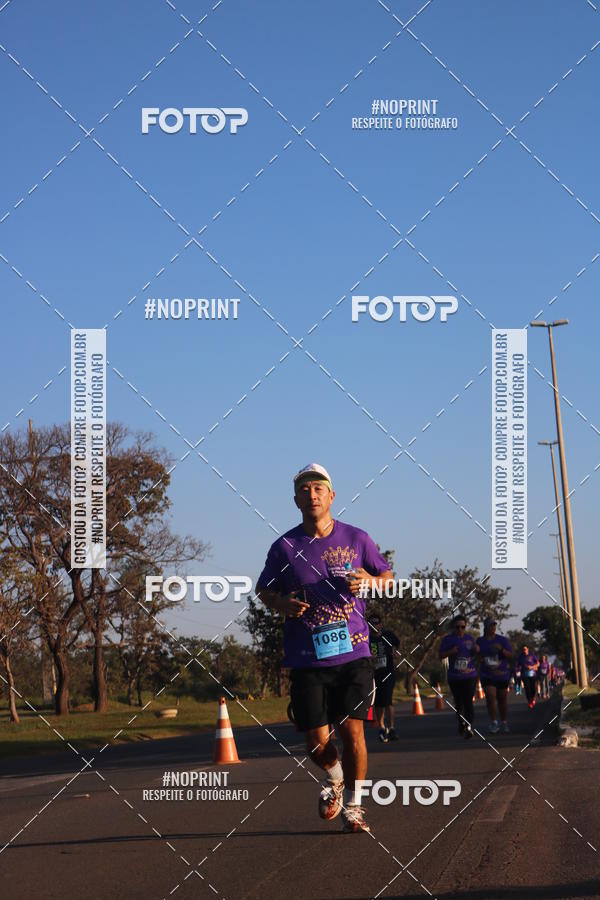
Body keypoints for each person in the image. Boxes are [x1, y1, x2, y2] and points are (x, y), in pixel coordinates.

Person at [256, 464, 394, 834]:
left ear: (332, 496)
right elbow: (263, 590)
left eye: (319, 488)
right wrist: (280, 603)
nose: (312, 494)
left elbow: (388, 579)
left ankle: (354, 806)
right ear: (296, 499)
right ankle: (335, 777)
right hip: (307, 658)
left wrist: (371, 580)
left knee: (353, 734)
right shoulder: (284, 547)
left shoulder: (357, 538)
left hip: (354, 654)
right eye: (305, 489)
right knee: (316, 742)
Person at [439, 614, 480, 739]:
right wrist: (451, 652)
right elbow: (441, 655)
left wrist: (476, 650)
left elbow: (474, 652)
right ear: (453, 627)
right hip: (455, 677)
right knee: (459, 702)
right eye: (458, 627)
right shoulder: (447, 640)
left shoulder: (469, 638)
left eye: (463, 627)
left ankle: (468, 726)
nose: (460, 629)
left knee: (468, 701)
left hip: (470, 675)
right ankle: (461, 722)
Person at [367, 612, 400, 742]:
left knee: (388, 700)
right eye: (371, 623)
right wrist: (369, 658)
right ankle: (381, 727)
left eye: (376, 623)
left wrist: (396, 652)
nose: (374, 625)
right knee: (378, 702)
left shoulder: (388, 635)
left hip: (389, 672)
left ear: (381, 624)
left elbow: (397, 643)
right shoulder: (366, 638)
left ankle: (391, 728)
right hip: (374, 674)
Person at [477, 618, 512, 733]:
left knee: (502, 698)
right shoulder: (480, 641)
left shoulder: (502, 640)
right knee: (490, 696)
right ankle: (494, 722)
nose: (493, 627)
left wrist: (501, 649)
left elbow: (510, 655)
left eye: (494, 625)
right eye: (491, 625)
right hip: (487, 674)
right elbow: (476, 655)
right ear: (486, 627)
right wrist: (480, 658)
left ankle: (504, 722)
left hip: (501, 674)